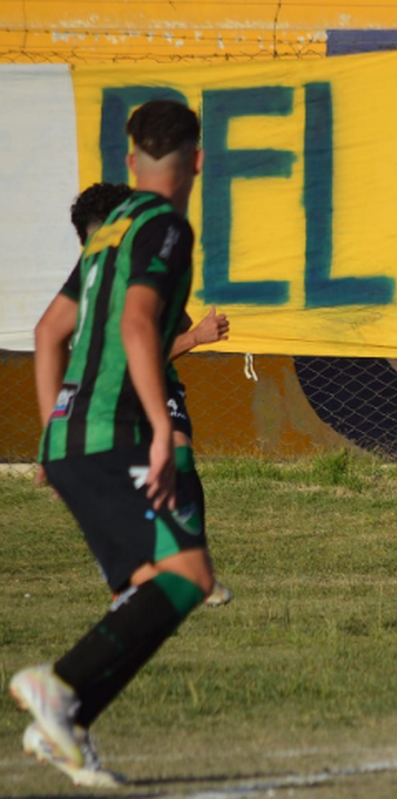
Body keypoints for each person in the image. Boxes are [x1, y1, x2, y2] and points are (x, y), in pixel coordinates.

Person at [11, 99, 214, 788]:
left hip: (70, 434)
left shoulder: (109, 229)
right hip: (116, 430)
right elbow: (135, 324)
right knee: (189, 577)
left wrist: (49, 431)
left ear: (130, 162)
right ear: (198, 161)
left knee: (152, 588)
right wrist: (162, 428)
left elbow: (47, 332)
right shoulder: (164, 226)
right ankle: (58, 684)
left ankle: (62, 720)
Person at [60, 182, 234, 608]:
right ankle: (128, 581)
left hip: (156, 385)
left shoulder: (156, 274)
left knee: (178, 454)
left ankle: (198, 568)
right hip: (105, 393)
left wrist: (188, 332)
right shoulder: (89, 286)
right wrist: (196, 337)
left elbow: (161, 341)